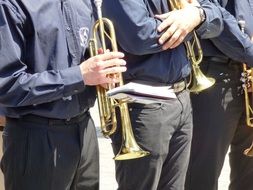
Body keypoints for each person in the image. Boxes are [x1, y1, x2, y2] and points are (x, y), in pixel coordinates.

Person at [0, 0, 127, 190]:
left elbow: (87, 57)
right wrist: (79, 75)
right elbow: (7, 84)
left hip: (84, 129)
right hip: (36, 136)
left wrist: (102, 72)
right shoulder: (11, 4)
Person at [102, 0, 224, 189]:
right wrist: (190, 21)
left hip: (181, 96)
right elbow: (140, 35)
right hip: (143, 103)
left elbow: (217, 18)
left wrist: (197, 15)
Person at [181, 0, 253, 190]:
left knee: (249, 173)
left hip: (248, 71)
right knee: (202, 172)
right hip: (216, 73)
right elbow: (216, 22)